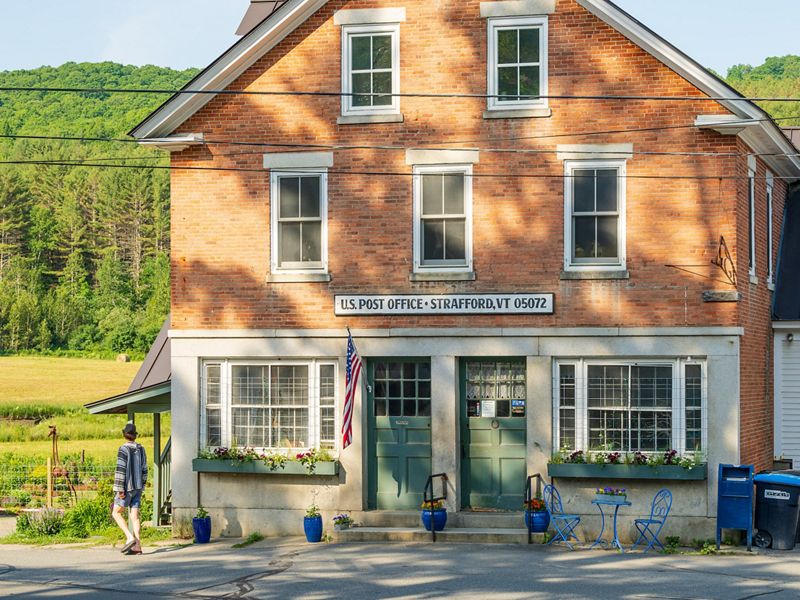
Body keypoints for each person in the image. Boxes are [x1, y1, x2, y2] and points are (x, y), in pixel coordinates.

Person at [112, 422, 148, 555]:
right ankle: (137, 546)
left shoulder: (123, 449)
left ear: (125, 435)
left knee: (116, 512)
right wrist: (142, 484)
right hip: (138, 486)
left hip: (126, 487)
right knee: (135, 516)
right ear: (135, 436)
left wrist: (119, 489)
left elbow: (120, 470)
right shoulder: (141, 448)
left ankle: (129, 537)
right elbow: (145, 468)